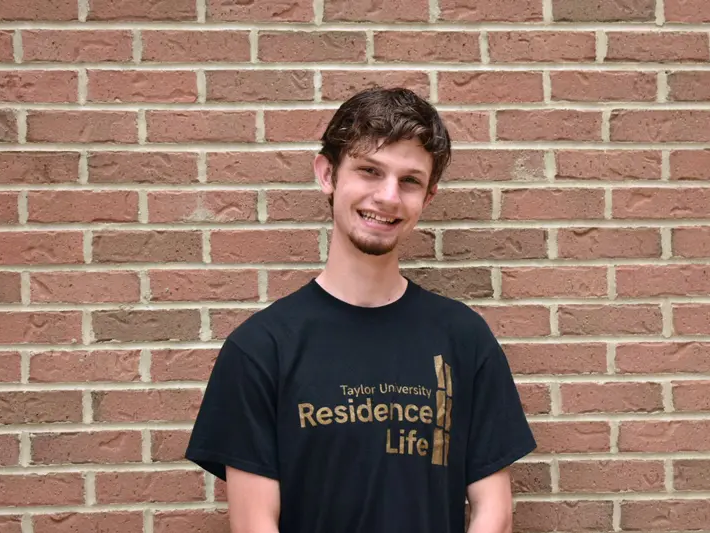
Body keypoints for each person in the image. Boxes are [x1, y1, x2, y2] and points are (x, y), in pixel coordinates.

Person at [185, 87, 536, 533]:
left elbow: (495, 513)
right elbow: (255, 524)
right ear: (327, 174)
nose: (388, 197)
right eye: (370, 171)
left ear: (427, 198)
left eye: (409, 181)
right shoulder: (261, 348)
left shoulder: (463, 338)